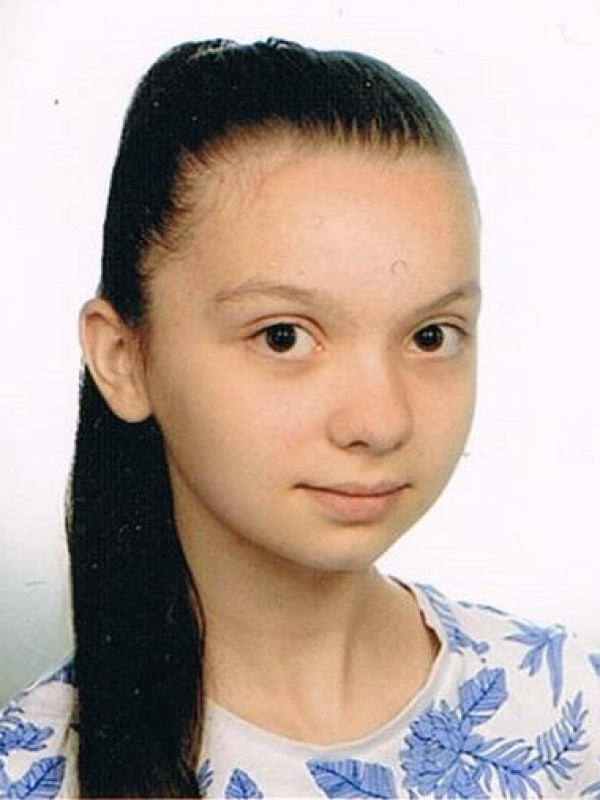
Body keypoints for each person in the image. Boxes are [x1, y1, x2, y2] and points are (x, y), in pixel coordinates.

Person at [1, 37, 599, 800]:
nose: (380, 421)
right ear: (122, 357)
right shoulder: (31, 776)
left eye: (430, 336)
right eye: (283, 337)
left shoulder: (570, 715)